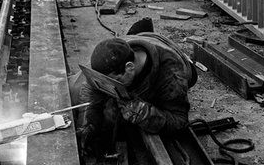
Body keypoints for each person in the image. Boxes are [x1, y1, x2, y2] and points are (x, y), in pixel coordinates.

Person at [69, 18, 197, 157]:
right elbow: (92, 88)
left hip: (174, 56)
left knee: (115, 114)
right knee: (79, 91)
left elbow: (180, 121)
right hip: (141, 37)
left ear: (129, 67)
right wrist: (91, 124)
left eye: (116, 80)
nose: (111, 86)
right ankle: (143, 28)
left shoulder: (171, 75)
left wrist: (146, 115)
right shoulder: (115, 53)